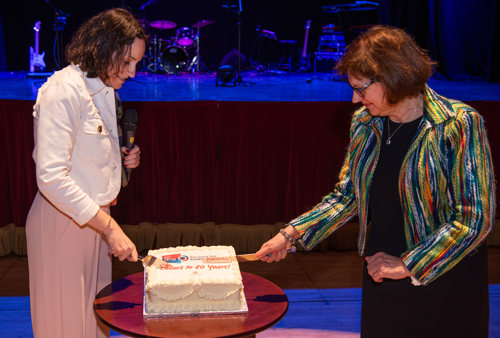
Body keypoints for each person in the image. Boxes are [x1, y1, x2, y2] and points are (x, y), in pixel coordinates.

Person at [256, 25, 495, 337]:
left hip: (442, 276)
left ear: (392, 77)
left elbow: (473, 219)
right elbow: (346, 196)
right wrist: (290, 235)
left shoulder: (458, 124)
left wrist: (409, 264)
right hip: (381, 272)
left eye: (361, 88)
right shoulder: (365, 123)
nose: (355, 99)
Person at [26, 8, 148, 338]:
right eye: (127, 61)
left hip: (94, 221)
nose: (132, 71)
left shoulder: (106, 88)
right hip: (62, 222)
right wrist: (109, 227)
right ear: (103, 48)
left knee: (95, 325)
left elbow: (83, 153)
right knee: (65, 328)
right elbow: (51, 176)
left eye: (136, 62)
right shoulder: (63, 91)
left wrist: (120, 158)